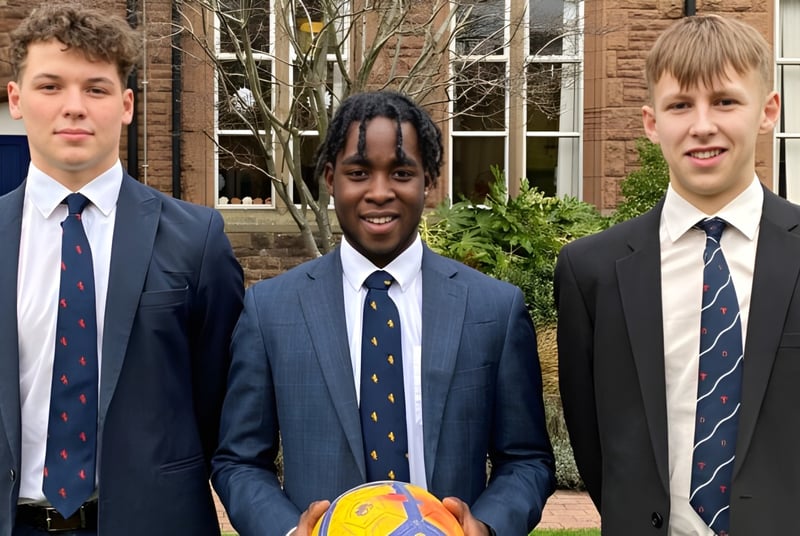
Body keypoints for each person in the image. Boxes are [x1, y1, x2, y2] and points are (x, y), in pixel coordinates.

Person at [212, 90, 555, 536]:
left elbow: (526, 458)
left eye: (401, 172)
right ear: (330, 179)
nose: (379, 192)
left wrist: (487, 526)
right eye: (358, 173)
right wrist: (289, 531)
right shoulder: (272, 310)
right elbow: (238, 460)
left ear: (429, 180)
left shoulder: (492, 309)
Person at [2, 3, 244, 535]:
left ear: (127, 104)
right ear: (16, 100)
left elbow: (217, 400)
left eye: (95, 88)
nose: (73, 107)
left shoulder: (197, 241)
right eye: (49, 87)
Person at [555, 14, 795, 535]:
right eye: (680, 105)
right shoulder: (591, 271)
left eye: (726, 101)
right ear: (651, 121)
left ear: (767, 111)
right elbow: (595, 442)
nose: (702, 125)